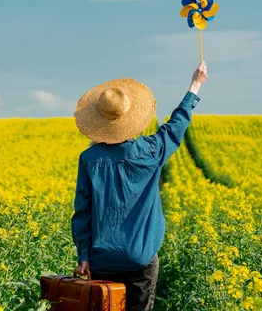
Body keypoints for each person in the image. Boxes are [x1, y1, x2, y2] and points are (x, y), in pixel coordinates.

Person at [71, 62, 208, 311]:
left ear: (100, 123)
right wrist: (195, 86)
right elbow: (176, 127)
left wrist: (83, 255)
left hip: (102, 260)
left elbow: (83, 211)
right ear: (130, 118)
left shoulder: (89, 160)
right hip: (140, 257)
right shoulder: (150, 151)